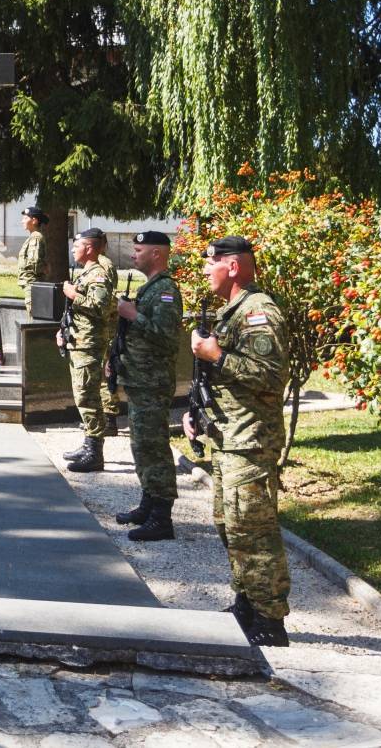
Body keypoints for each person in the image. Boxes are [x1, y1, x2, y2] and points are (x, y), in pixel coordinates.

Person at [185, 235, 292, 647]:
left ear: (232, 266)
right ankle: (246, 603)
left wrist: (217, 356)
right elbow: (221, 382)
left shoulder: (258, 312)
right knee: (231, 525)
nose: (205, 270)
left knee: (255, 530)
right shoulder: (232, 311)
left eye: (211, 263)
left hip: (251, 439)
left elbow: (270, 376)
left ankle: (270, 620)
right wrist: (198, 414)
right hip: (228, 436)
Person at [112, 230, 185, 542]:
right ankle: (148, 501)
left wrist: (133, 314)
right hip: (140, 380)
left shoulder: (166, 291)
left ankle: (161, 517)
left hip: (153, 383)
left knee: (154, 447)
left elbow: (168, 339)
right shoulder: (149, 288)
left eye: (139, 250)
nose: (133, 255)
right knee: (141, 445)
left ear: (157, 254)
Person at [58, 228, 115, 472]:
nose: (73, 249)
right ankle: (89, 443)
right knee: (83, 394)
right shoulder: (87, 272)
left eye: (76, 245)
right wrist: (64, 330)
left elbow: (99, 306)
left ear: (89, 248)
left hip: (89, 344)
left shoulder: (98, 274)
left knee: (87, 396)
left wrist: (73, 294)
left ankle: (95, 453)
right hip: (78, 339)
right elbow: (76, 312)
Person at [17, 206, 46, 289]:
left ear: (34, 221)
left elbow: (33, 264)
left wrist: (29, 283)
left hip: (32, 284)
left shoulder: (36, 237)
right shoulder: (33, 236)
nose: (22, 221)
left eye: (25, 218)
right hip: (31, 284)